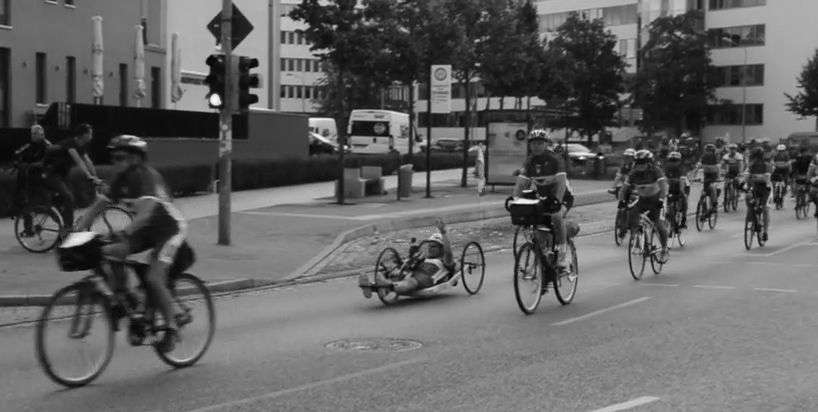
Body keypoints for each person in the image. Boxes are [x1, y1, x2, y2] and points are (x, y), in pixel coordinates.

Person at [77, 135, 191, 353]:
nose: (115, 162)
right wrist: (79, 228)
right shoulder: (121, 179)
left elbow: (147, 212)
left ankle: (171, 327)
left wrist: (125, 232)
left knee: (154, 278)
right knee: (108, 252)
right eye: (113, 158)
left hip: (170, 230)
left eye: (120, 157)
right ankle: (129, 299)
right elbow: (99, 205)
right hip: (145, 231)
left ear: (136, 159)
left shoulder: (147, 176)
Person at [513, 129, 570, 275]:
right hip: (543, 197)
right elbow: (521, 184)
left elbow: (562, 183)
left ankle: (563, 257)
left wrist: (557, 202)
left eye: (539, 143)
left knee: (556, 216)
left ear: (546, 144)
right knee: (536, 227)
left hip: (562, 196)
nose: (536, 146)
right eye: (533, 143)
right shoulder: (530, 160)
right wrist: (514, 201)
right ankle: (542, 257)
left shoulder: (555, 159)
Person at [359, 218, 454, 298]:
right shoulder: (425, 257)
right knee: (394, 270)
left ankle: (387, 286)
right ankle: (371, 286)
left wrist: (443, 232)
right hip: (414, 272)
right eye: (429, 246)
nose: (430, 249)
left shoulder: (444, 260)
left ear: (441, 248)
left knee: (411, 281)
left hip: (426, 278)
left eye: (434, 247)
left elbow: (448, 252)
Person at [43, 123, 101, 229]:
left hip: (62, 175)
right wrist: (89, 176)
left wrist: (96, 177)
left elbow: (88, 162)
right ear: (84, 135)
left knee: (71, 198)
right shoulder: (70, 144)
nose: (92, 136)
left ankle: (62, 215)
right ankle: (68, 228)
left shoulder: (81, 146)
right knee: (68, 197)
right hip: (50, 174)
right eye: (90, 133)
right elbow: (79, 161)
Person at [620, 150, 669, 261]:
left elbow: (663, 187)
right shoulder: (633, 173)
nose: (640, 165)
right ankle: (637, 241)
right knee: (632, 216)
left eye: (643, 163)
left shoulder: (656, 171)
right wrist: (621, 201)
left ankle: (665, 249)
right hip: (642, 200)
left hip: (656, 199)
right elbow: (624, 189)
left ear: (649, 163)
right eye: (638, 163)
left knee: (657, 223)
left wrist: (661, 200)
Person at [12, 125, 52, 215]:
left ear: (42, 134)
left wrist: (31, 165)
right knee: (28, 203)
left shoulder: (47, 145)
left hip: (43, 175)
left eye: (35, 134)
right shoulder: (29, 145)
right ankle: (28, 227)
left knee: (46, 201)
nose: (33, 136)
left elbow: (47, 161)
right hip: (31, 175)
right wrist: (18, 162)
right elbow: (17, 153)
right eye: (32, 134)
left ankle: (58, 221)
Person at [744, 147, 772, 241]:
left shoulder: (767, 165)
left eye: (756, 156)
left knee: (765, 208)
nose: (754, 158)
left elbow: (766, 179)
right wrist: (745, 182)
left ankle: (765, 232)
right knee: (748, 198)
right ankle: (753, 217)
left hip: (766, 189)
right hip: (754, 188)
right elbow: (746, 177)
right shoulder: (750, 165)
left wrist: (752, 177)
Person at [662, 151, 689, 229]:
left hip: (681, 186)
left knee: (684, 199)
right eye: (671, 160)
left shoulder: (681, 167)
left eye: (675, 161)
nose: (673, 163)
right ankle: (671, 214)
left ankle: (684, 218)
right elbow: (664, 180)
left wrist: (682, 191)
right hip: (672, 187)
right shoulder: (667, 167)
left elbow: (682, 180)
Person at [695, 143, 722, 212]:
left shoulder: (716, 157)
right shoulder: (703, 157)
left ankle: (714, 205)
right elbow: (698, 166)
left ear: (713, 151)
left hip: (714, 178)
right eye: (707, 150)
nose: (708, 152)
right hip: (706, 178)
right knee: (703, 193)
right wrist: (695, 176)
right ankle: (704, 209)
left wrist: (718, 178)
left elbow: (718, 168)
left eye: (710, 150)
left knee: (713, 188)